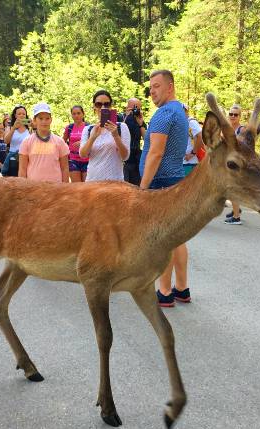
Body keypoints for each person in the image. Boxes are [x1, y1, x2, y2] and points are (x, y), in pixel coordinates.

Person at [139, 70, 190, 307]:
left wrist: (143, 187)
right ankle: (182, 288)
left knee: (163, 241)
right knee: (177, 238)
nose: (152, 92)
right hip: (176, 179)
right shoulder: (181, 111)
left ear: (170, 87)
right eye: (150, 88)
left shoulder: (163, 114)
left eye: (157, 86)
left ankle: (165, 291)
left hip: (160, 183)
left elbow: (156, 153)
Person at [80, 90, 130, 182]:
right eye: (99, 104)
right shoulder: (88, 129)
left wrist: (116, 136)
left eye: (106, 104)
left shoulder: (121, 127)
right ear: (94, 107)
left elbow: (125, 157)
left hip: (115, 183)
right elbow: (83, 155)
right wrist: (92, 137)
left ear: (111, 106)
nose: (103, 108)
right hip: (92, 183)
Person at [18, 103, 69, 183]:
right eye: (40, 118)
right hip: (33, 188)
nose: (44, 121)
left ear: (51, 120)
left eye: (47, 118)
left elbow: (65, 168)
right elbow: (22, 169)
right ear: (34, 120)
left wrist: (65, 189)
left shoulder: (59, 142)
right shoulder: (26, 142)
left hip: (55, 188)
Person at [222, 105, 246, 225]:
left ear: (239, 116)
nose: (232, 116)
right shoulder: (227, 128)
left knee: (232, 189)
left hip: (237, 164)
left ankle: (236, 217)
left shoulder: (242, 130)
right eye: (231, 114)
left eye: (235, 114)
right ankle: (236, 210)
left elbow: (239, 146)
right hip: (228, 162)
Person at [123, 98, 147, 185]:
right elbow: (118, 134)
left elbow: (146, 139)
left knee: (136, 188)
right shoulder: (120, 118)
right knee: (123, 187)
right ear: (127, 108)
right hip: (123, 160)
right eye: (133, 107)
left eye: (138, 108)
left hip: (136, 159)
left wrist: (140, 124)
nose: (136, 110)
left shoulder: (140, 120)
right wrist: (126, 117)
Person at [62, 105, 89, 182]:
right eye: (74, 114)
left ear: (83, 114)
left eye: (78, 113)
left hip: (86, 160)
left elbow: (93, 141)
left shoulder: (88, 127)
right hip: (73, 160)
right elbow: (62, 142)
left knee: (86, 187)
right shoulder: (69, 128)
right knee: (77, 187)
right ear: (71, 115)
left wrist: (82, 142)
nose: (76, 115)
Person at [2, 105, 30, 177]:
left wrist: (35, 127)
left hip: (26, 158)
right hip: (13, 158)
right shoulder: (9, 126)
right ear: (15, 115)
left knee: (24, 182)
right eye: (19, 114)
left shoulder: (29, 128)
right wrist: (14, 128)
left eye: (24, 114)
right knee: (13, 183)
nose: (22, 115)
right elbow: (6, 141)